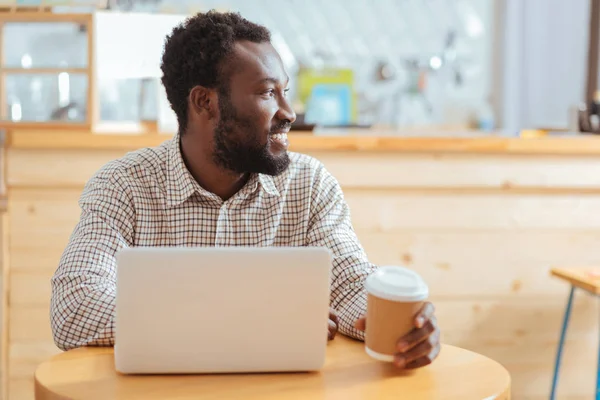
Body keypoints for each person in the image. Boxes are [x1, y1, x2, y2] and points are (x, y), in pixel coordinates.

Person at [50, 10, 440, 370]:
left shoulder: (308, 185)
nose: (289, 112)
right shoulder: (125, 186)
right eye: (268, 93)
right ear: (205, 102)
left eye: (285, 91)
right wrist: (238, 319)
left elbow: (350, 284)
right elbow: (74, 307)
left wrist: (401, 324)